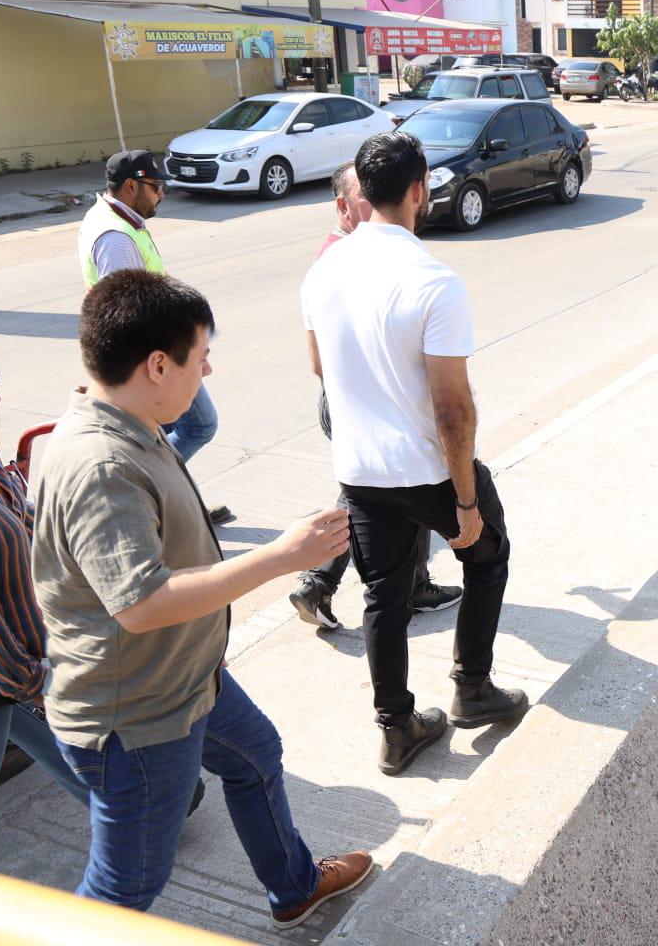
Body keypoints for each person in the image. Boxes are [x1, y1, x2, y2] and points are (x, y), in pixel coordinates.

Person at [30, 270, 372, 926]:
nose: (208, 368)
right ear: (157, 365)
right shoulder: (102, 465)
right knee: (122, 892)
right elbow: (143, 605)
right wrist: (282, 557)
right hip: (137, 719)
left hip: (187, 676)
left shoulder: (132, 417)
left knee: (256, 755)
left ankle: (295, 886)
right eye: (200, 355)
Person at [301, 132, 528, 778]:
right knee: (487, 557)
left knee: (384, 599)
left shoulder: (323, 273)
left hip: (360, 472)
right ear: (419, 190)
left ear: (361, 194)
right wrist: (464, 502)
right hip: (428, 470)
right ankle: (473, 689)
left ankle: (396, 729)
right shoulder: (434, 280)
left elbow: (320, 367)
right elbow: (453, 411)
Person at [0, 324, 93, 866]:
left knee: (85, 764)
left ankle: (134, 829)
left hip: (13, 666)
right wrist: (37, 685)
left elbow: (24, 524)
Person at [290, 163, 462, 630]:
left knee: (365, 492)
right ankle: (399, 585)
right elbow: (321, 360)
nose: (377, 204)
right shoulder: (340, 257)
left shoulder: (353, 252)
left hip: (353, 398)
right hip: (354, 399)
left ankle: (323, 583)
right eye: (365, 197)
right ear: (344, 207)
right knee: (402, 484)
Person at [76, 149, 231, 524]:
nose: (162, 193)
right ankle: (160, 499)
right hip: (152, 362)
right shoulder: (115, 236)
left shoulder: (115, 218)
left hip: (154, 359)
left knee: (157, 434)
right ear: (131, 186)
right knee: (199, 425)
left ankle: (173, 503)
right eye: (155, 186)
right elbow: (131, 314)